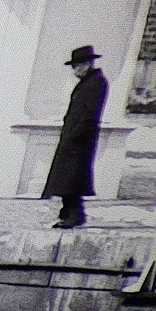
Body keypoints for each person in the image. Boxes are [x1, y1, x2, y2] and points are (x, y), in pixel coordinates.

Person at [43, 44, 109, 229]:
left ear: (87, 64)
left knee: (73, 179)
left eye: (77, 66)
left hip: (80, 139)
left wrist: (75, 134)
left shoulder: (96, 83)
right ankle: (69, 212)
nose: (75, 71)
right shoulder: (87, 82)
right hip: (74, 136)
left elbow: (90, 113)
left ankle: (73, 215)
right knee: (68, 178)